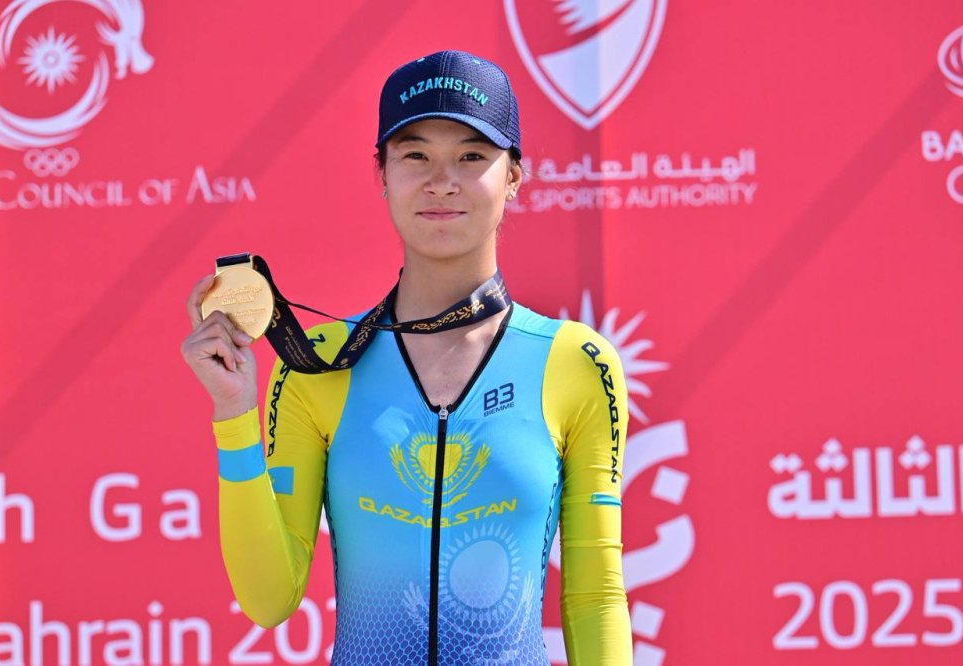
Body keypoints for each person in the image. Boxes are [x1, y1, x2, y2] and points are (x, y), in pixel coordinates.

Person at [182, 50, 633, 665]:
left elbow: (595, 597)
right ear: (383, 173)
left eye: (471, 156)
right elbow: (268, 599)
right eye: (415, 155)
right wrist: (234, 413)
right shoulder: (318, 363)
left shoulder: (576, 362)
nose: (441, 180)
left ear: (513, 176)